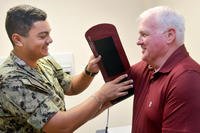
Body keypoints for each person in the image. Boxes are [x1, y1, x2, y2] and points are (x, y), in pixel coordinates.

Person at [0, 4, 133, 133]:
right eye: (42, 36)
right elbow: (60, 127)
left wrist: (89, 71)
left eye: (49, 34)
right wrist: (101, 96)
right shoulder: (11, 80)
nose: (50, 40)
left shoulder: (44, 60)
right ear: (17, 40)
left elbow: (70, 86)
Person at [130, 6, 200, 133]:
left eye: (144, 35)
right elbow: (116, 80)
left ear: (169, 35)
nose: (138, 42)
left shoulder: (187, 78)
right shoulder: (148, 66)